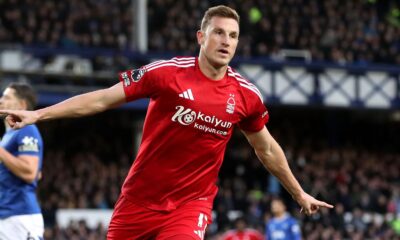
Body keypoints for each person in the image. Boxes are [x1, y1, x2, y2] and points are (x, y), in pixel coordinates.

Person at [0, 5, 333, 240]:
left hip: (191, 204)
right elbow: (101, 99)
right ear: (201, 37)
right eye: (218, 33)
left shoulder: (246, 96)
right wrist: (38, 114)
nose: (226, 41)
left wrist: (299, 192)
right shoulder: (166, 74)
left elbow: (267, 149)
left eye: (232, 35)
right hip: (138, 200)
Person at [0, 82, 44, 240]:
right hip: (7, 216)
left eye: (6, 97)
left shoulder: (26, 129)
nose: (0, 100)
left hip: (20, 217)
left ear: (22, 105)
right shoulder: (8, 136)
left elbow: (30, 172)